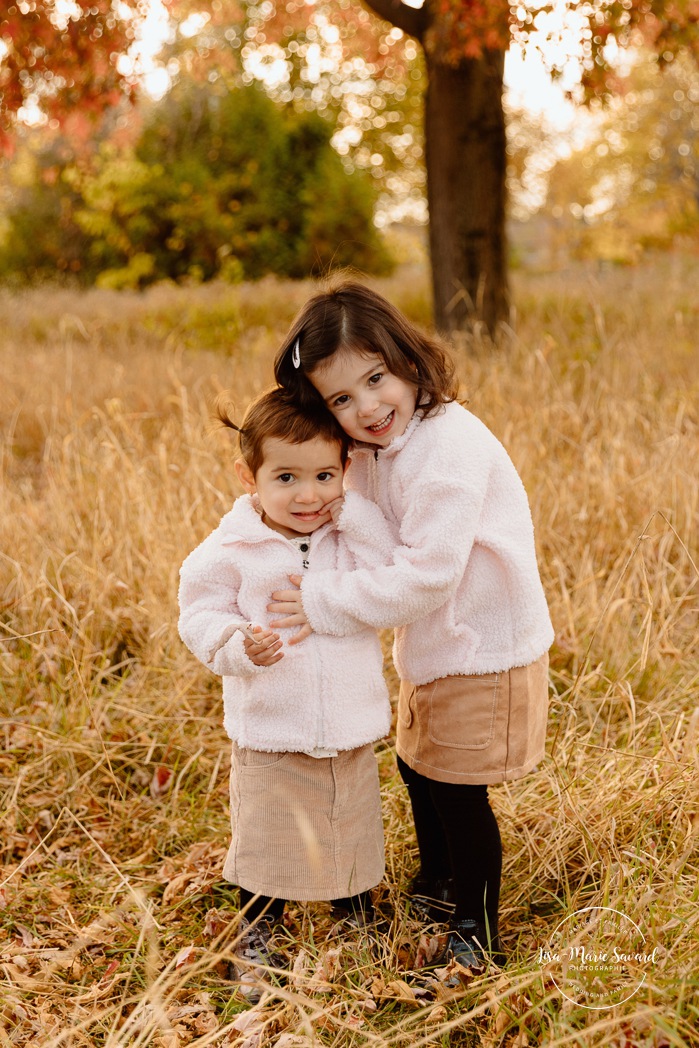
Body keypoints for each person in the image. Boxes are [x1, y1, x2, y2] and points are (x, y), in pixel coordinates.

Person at [269, 280, 554, 971]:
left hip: (486, 649)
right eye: (341, 398)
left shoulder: (447, 449)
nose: (366, 407)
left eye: (375, 379)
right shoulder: (382, 449)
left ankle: (475, 926)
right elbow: (378, 534)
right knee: (417, 764)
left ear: (407, 359)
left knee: (456, 787)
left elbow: (427, 575)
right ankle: (436, 882)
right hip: (437, 647)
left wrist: (322, 602)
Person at [178, 387, 397, 992]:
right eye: (286, 477)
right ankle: (259, 931)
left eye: (325, 475)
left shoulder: (347, 536)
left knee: (349, 826)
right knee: (269, 838)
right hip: (272, 725)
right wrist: (237, 645)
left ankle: (355, 919)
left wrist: (352, 511)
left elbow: (389, 574)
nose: (309, 495)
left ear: (346, 470)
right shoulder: (230, 549)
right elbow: (197, 614)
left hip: (348, 721)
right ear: (250, 477)